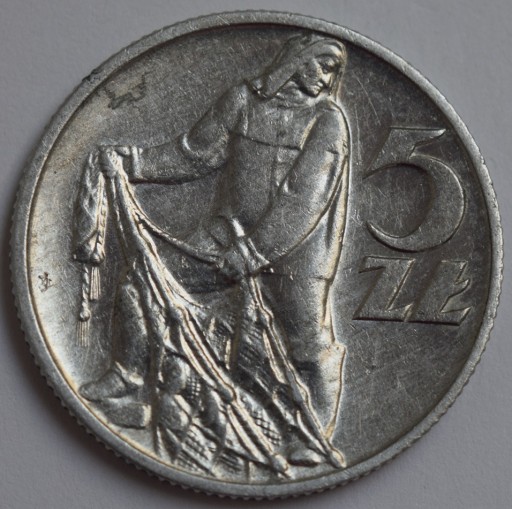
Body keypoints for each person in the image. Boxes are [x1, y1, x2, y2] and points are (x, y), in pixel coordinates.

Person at [79, 33, 350, 452]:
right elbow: (194, 154)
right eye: (322, 65)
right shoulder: (242, 100)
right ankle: (128, 379)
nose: (326, 78)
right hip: (228, 233)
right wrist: (133, 161)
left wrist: (254, 252)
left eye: (333, 71)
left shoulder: (328, 120)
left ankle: (313, 435)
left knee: (308, 343)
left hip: (298, 254)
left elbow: (304, 198)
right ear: (297, 59)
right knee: (142, 282)